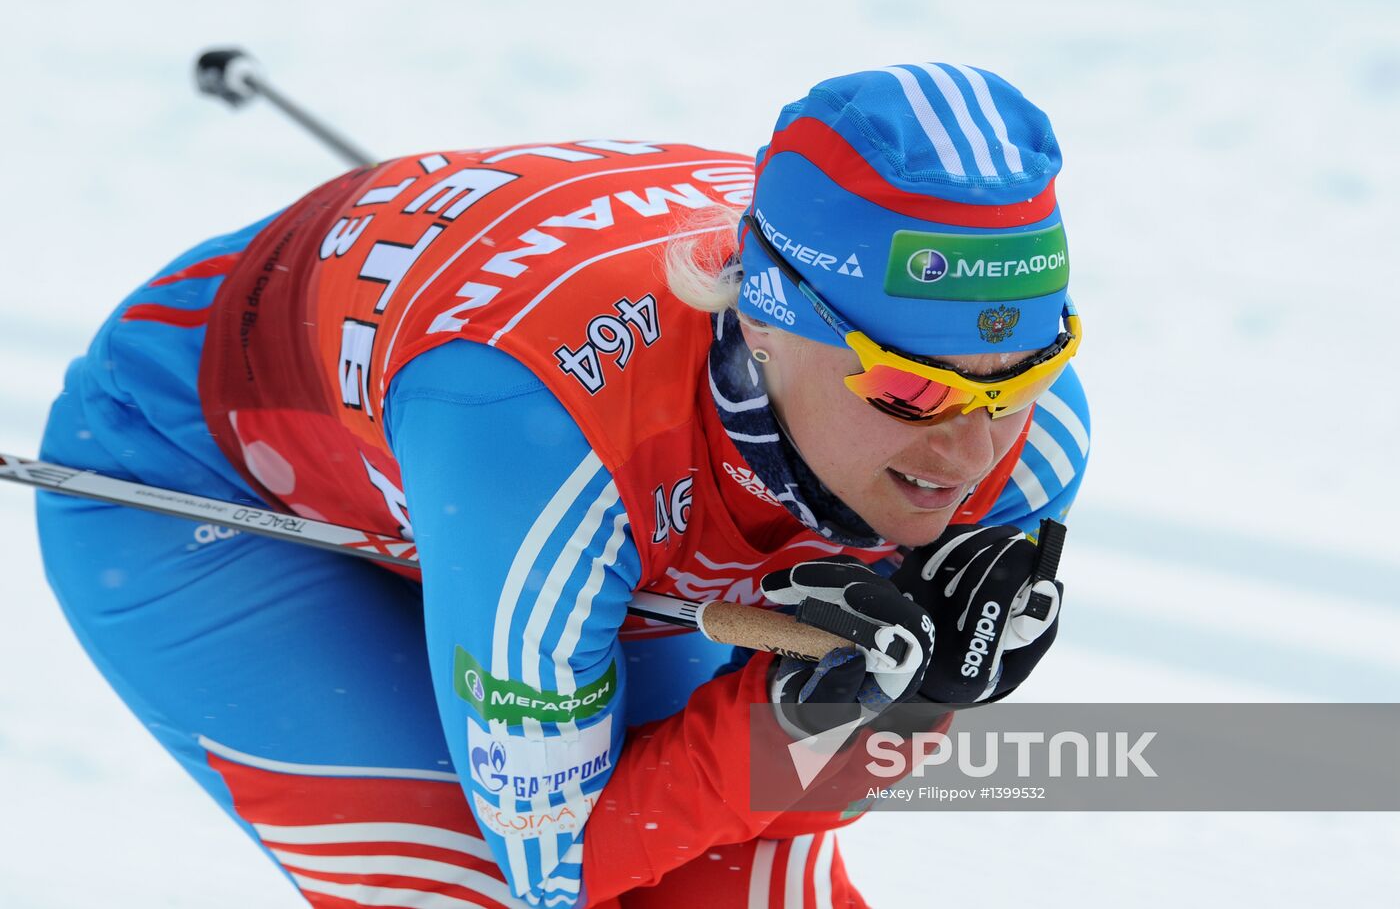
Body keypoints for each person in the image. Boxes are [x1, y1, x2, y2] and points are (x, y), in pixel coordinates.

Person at [35, 63, 1089, 908]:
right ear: (763, 318)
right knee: (470, 886)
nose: (966, 454)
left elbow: (796, 793)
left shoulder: (1027, 449)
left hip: (490, 458)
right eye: (908, 391)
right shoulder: (552, 444)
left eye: (1020, 379)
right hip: (209, 480)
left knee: (752, 887)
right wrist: (781, 724)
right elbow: (556, 863)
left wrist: (911, 695)